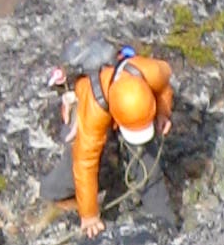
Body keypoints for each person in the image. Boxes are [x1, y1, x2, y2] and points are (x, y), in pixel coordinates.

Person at [42, 39, 175, 235]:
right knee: (71, 167)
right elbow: (84, 163)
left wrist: (163, 112)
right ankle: (51, 192)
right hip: (93, 106)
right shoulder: (92, 109)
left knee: (146, 162)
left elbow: (164, 85)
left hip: (122, 106)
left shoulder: (149, 72)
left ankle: (165, 225)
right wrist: (89, 216)